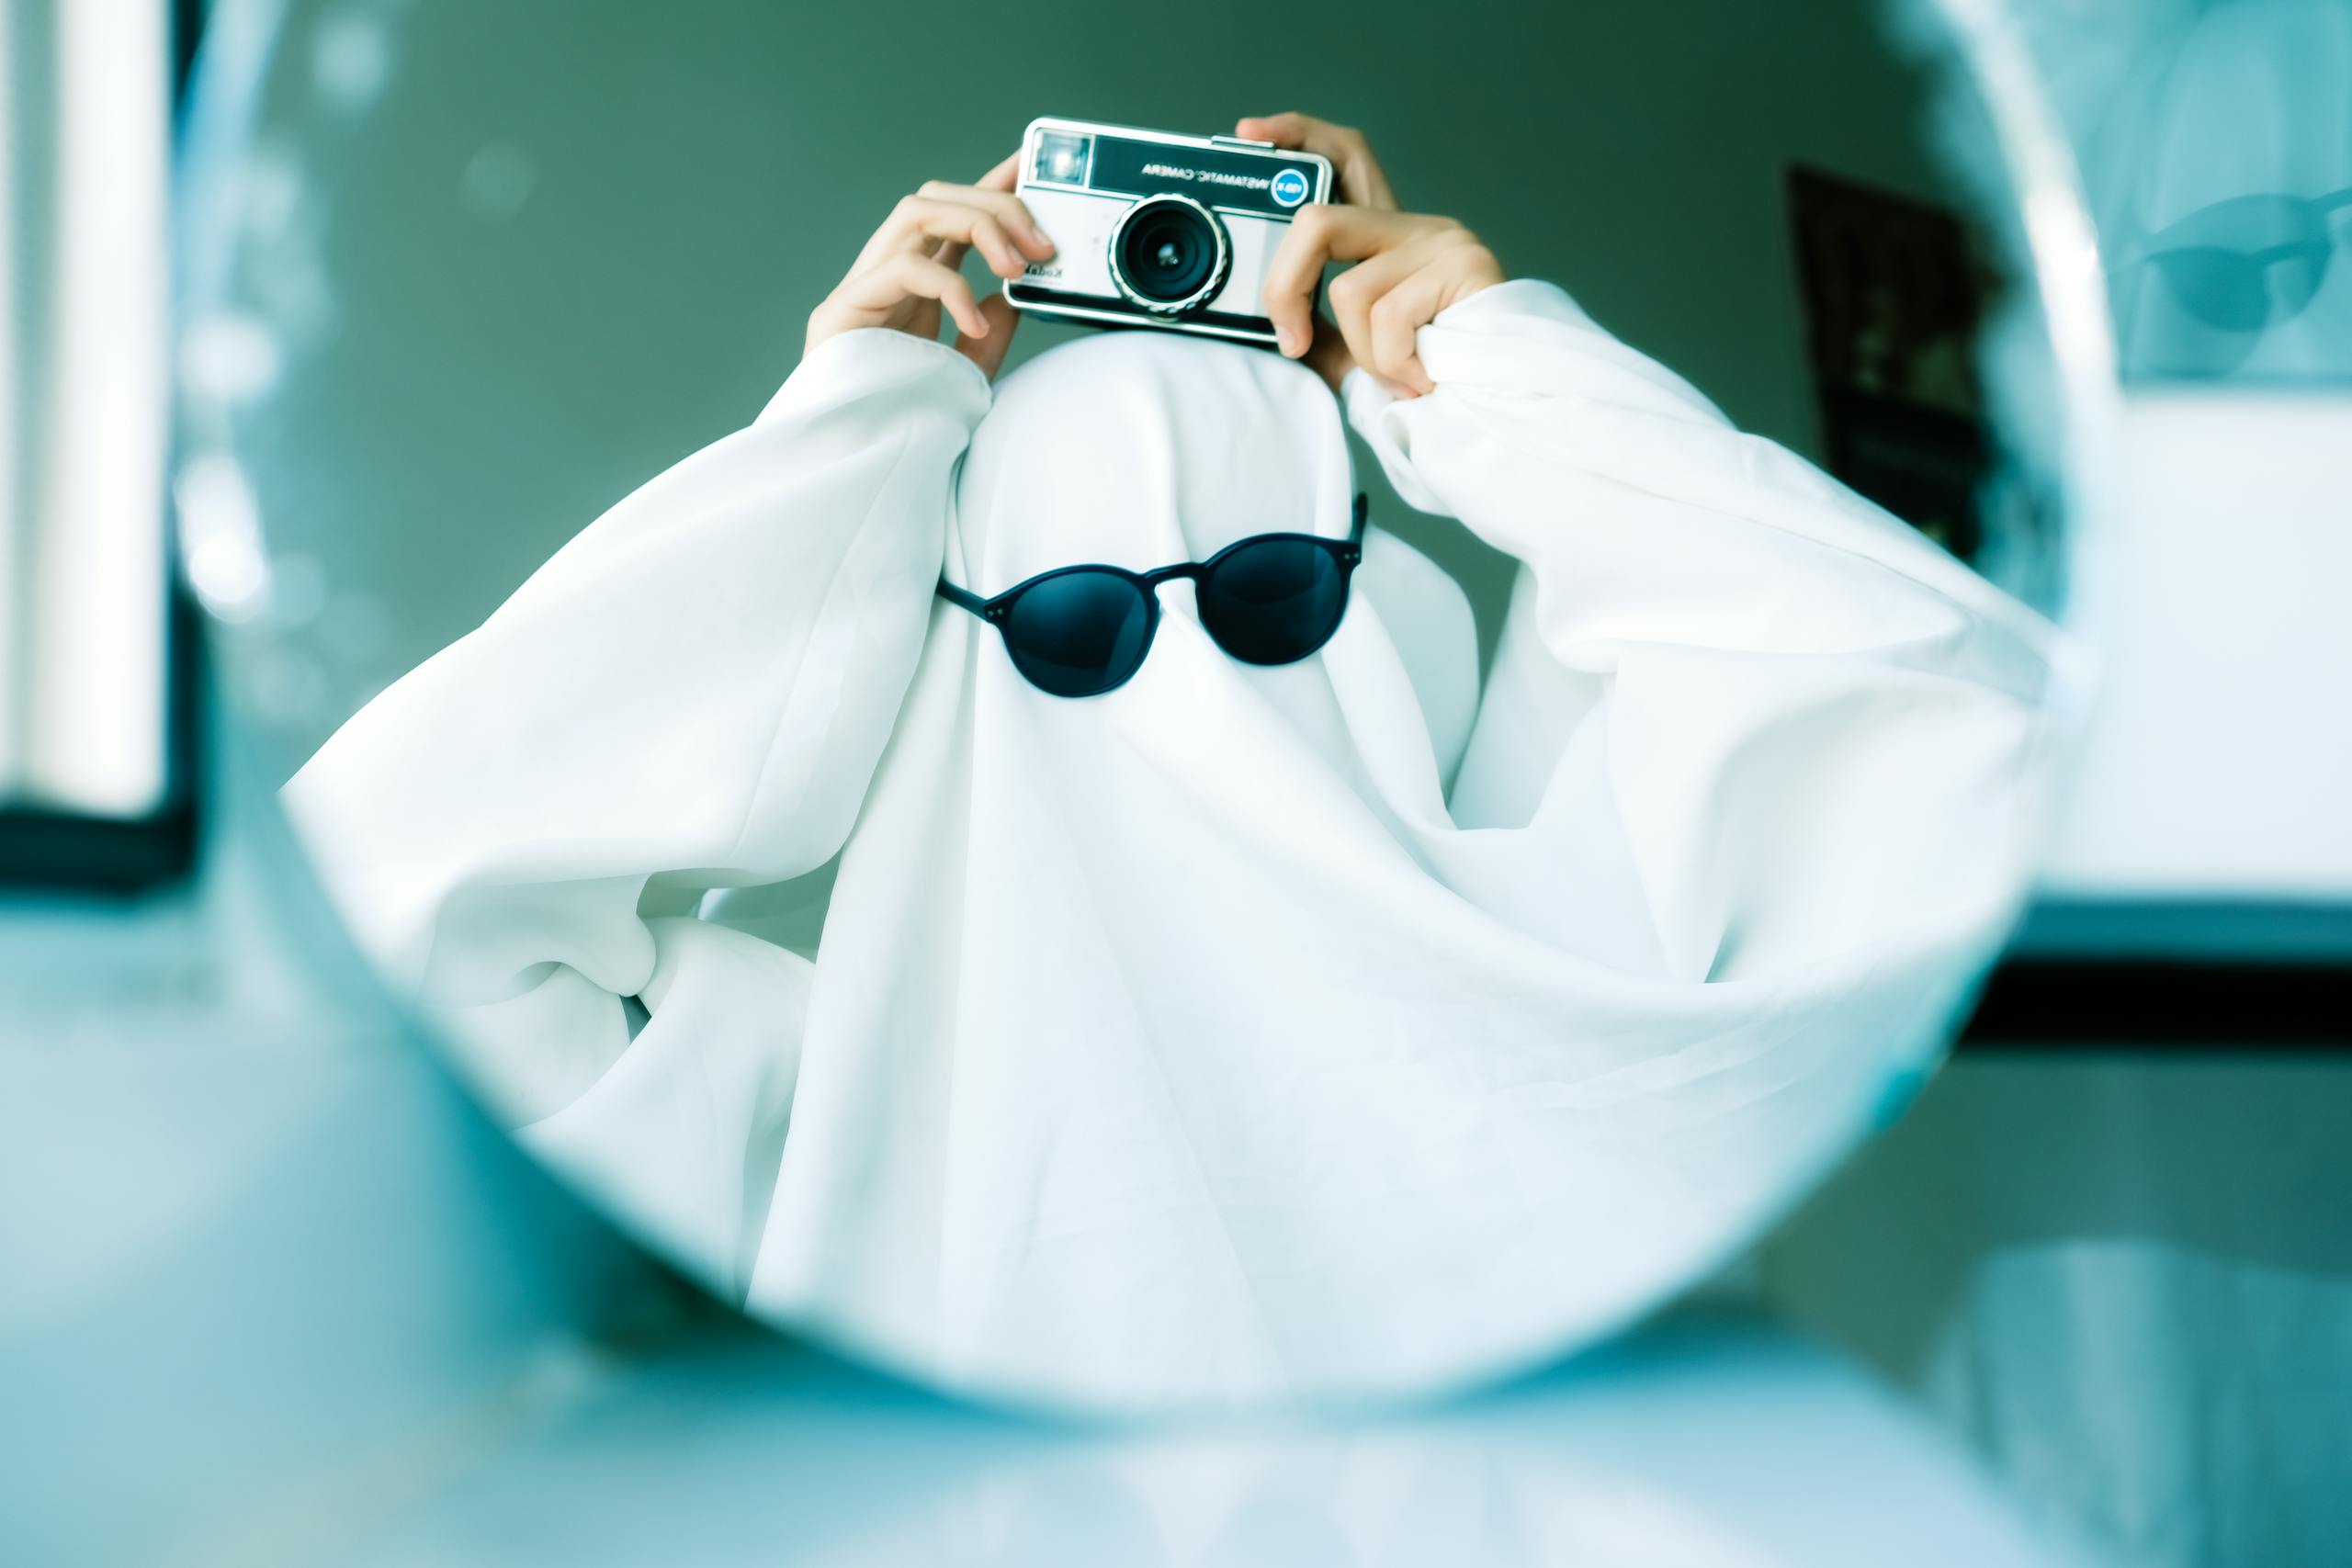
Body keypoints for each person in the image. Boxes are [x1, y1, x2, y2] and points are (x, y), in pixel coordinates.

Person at [285, 115, 2057, 1412]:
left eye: (1272, 596)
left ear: (1375, 606)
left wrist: (1477, 369)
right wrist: (857, 427)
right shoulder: (811, 1101)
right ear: (950, 648)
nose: (1195, 704)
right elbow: (366, 910)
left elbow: (1963, 724)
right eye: (1073, 627)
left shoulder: (1584, 963)